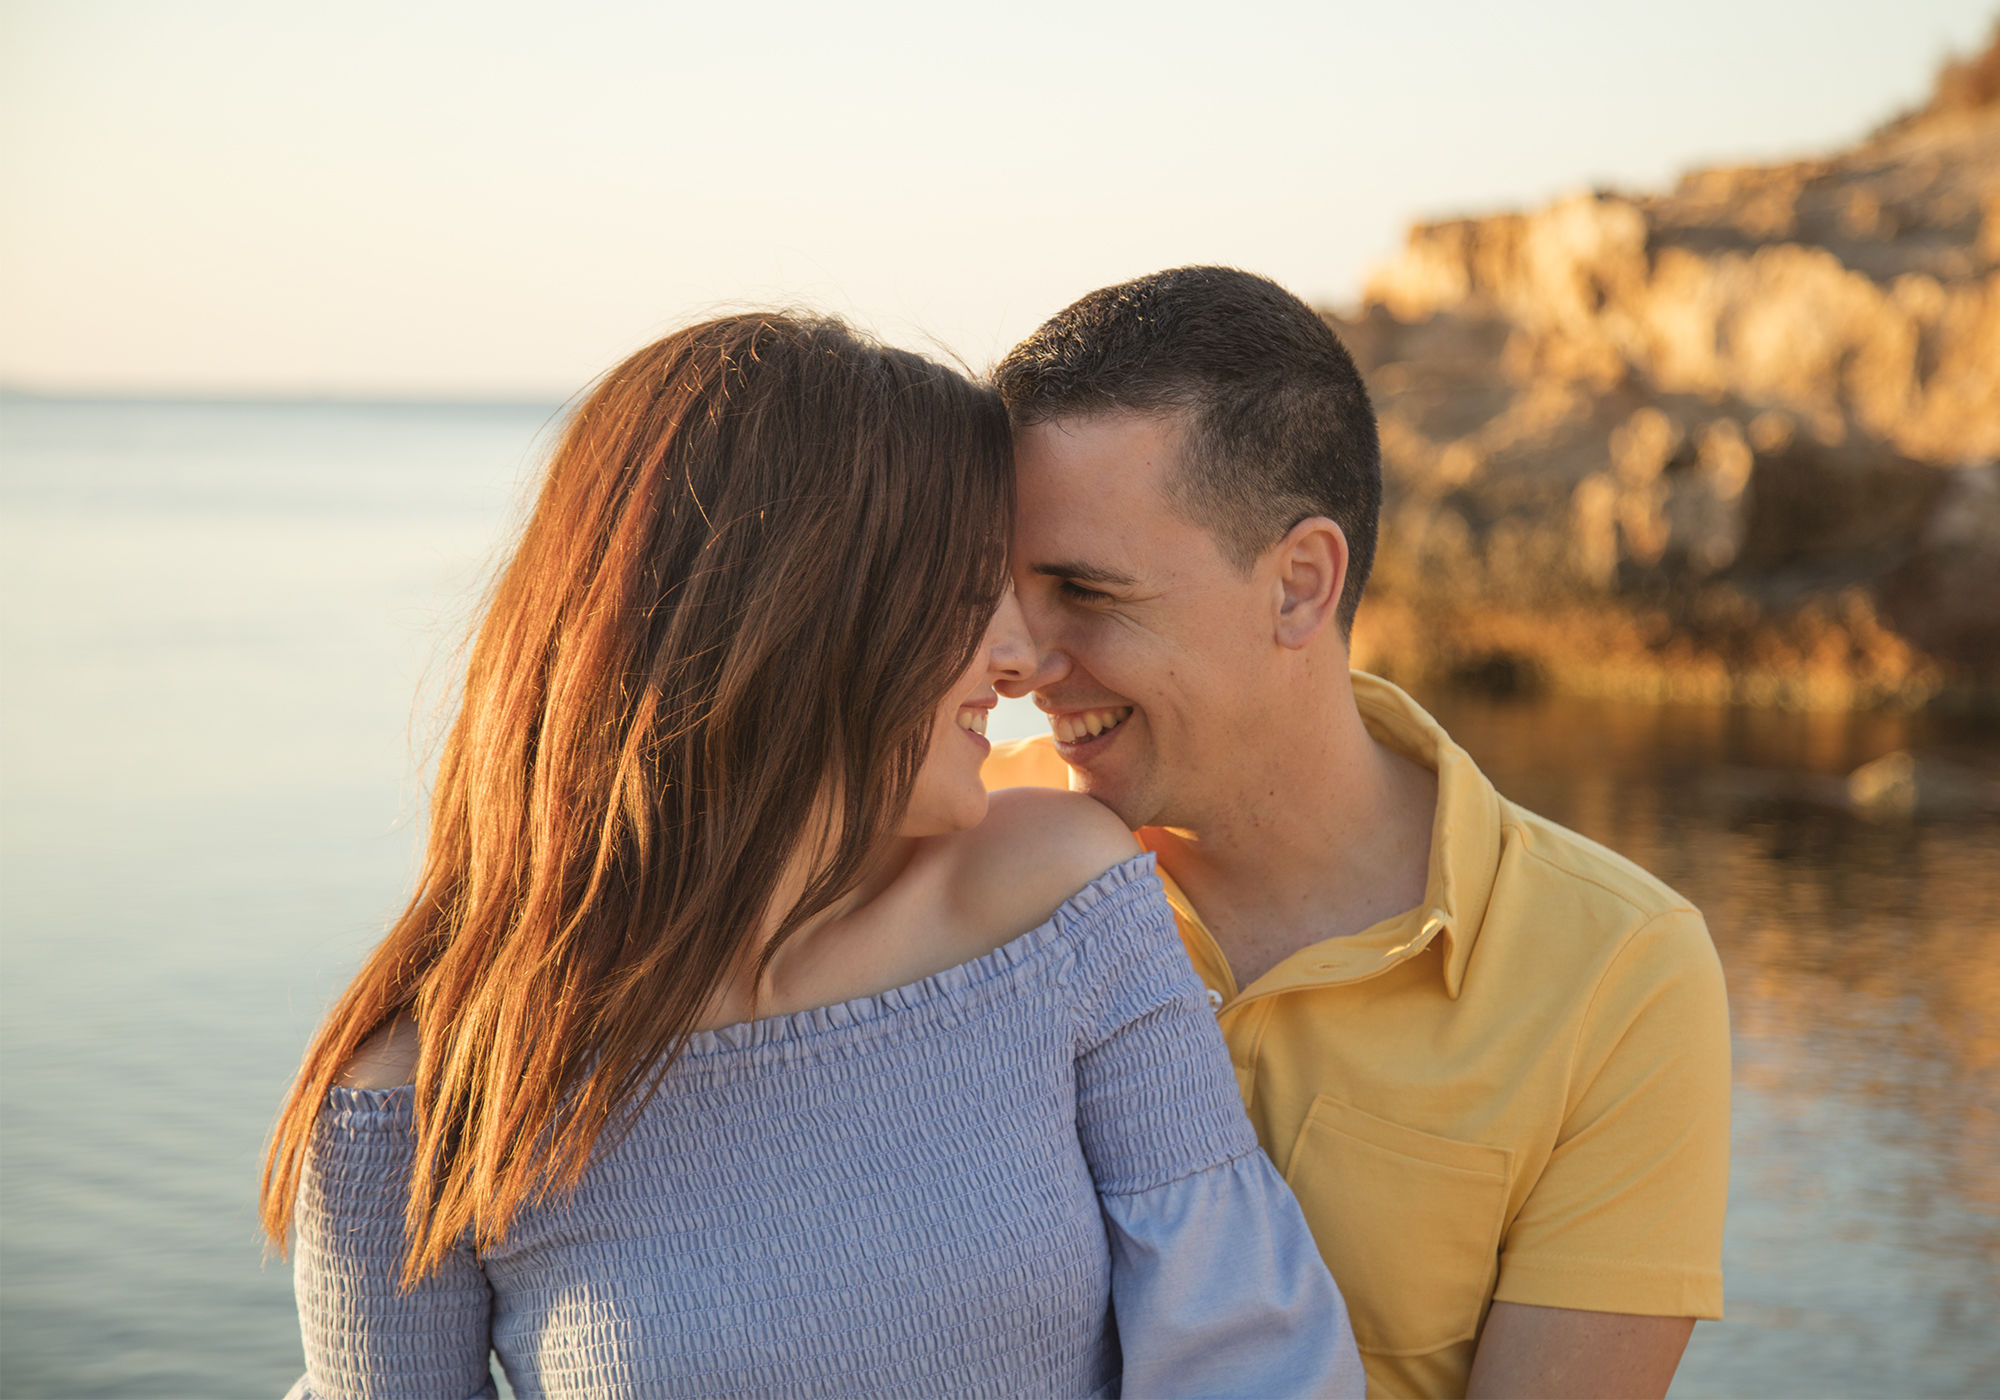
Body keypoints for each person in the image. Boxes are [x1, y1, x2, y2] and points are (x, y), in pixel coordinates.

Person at [260, 313, 1364, 1399]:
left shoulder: (1062, 900)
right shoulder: (415, 1098)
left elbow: (1248, 1355)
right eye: (967, 588)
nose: (1020, 656)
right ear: (804, 611)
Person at [982, 267, 1732, 1400]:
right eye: (1005, 592)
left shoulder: (1617, 973)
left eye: (1083, 592)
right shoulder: (953, 854)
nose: (1020, 662)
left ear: (1297, 584)